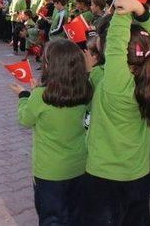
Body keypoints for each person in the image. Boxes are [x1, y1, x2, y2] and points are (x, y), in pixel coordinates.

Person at [83, 0, 150, 226]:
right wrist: (138, 9)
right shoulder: (149, 72)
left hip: (105, 176)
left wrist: (122, 1)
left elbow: (117, 40)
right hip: (137, 174)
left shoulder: (118, 82)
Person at [9, 39, 92, 225]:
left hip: (49, 171)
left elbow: (25, 119)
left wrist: (24, 96)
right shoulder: (85, 89)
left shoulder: (40, 96)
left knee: (52, 218)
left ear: (49, 65)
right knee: (75, 215)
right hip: (79, 165)